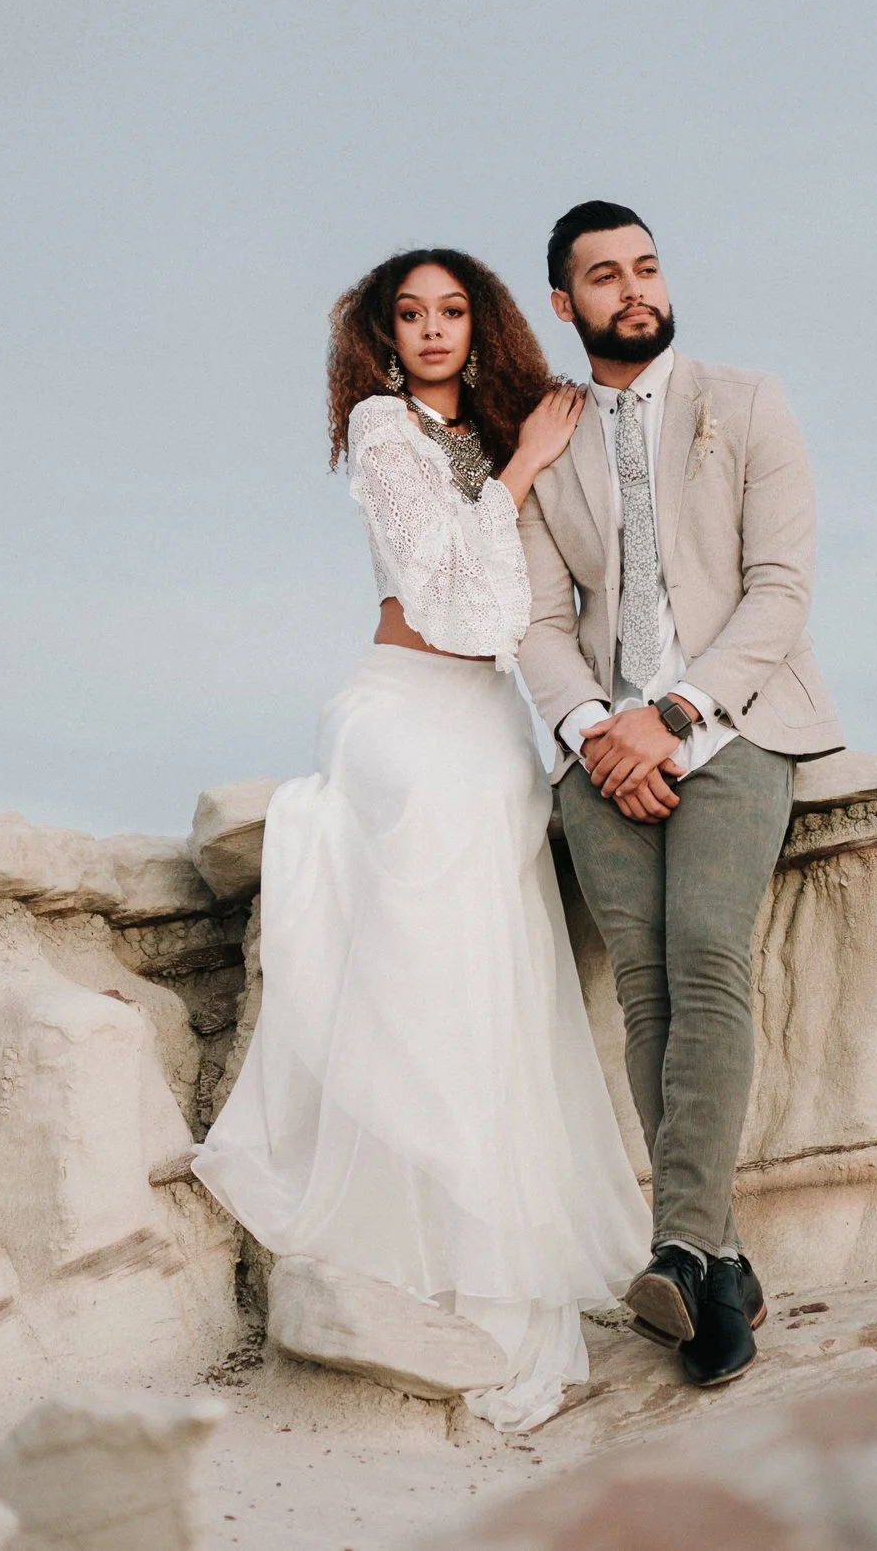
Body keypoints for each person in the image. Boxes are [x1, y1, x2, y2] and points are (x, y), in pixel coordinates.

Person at [192, 248, 651, 1432]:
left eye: (453, 311)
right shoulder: (388, 433)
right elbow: (450, 597)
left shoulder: (506, 424)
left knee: (499, 963)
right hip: (399, 700)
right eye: (412, 315)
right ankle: (406, 1225)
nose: (434, 330)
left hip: (494, 717)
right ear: (385, 338)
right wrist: (525, 470)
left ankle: (496, 1260)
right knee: (419, 916)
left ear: (482, 326)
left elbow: (549, 594)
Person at [516, 201, 845, 1388]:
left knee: (705, 953)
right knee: (646, 984)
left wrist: (676, 716)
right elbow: (539, 618)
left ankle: (677, 1246)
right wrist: (597, 728)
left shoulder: (747, 401)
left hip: (737, 721)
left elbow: (779, 589)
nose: (633, 289)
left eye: (646, 267)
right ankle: (717, 1268)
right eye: (604, 276)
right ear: (566, 302)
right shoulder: (545, 440)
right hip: (600, 741)